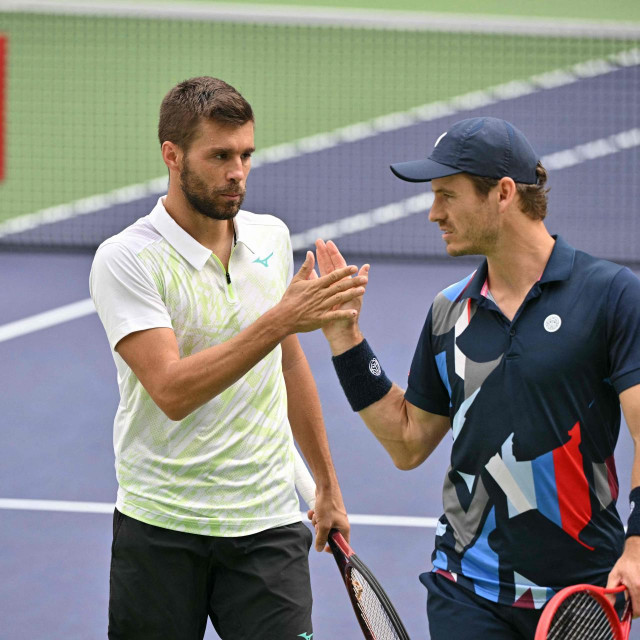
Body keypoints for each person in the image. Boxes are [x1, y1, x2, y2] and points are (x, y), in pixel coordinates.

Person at [314, 116, 640, 639]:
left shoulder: (610, 296)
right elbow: (407, 441)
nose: (433, 213)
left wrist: (638, 544)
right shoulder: (448, 311)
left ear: (503, 193)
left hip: (581, 596)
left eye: (447, 195)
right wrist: (343, 339)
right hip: (465, 588)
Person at [89, 76, 366, 640]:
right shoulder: (128, 260)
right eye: (219, 155)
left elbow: (287, 364)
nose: (237, 171)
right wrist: (281, 318)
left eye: (245, 155)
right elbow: (171, 390)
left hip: (268, 527)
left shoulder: (271, 238)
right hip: (161, 528)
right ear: (172, 155)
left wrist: (326, 485)